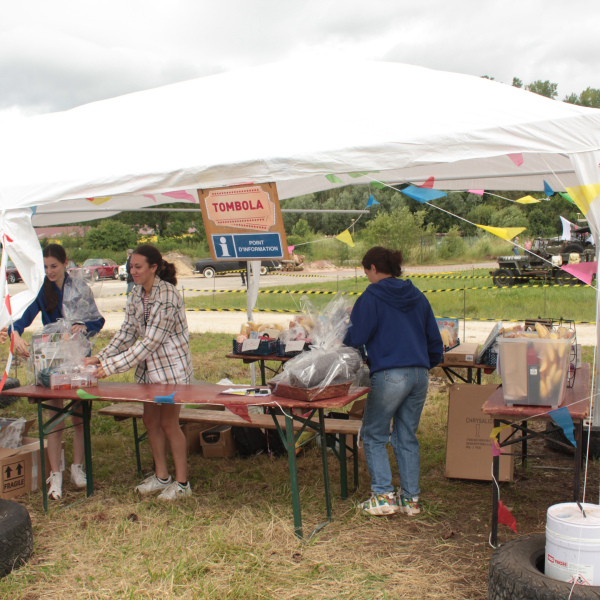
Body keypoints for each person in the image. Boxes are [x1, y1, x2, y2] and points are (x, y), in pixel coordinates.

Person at [84, 244, 193, 501]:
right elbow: (127, 332)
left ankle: (183, 483)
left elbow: (150, 342)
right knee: (150, 421)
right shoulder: (135, 294)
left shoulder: (168, 295)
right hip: (147, 372)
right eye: (130, 266)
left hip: (170, 373)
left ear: (153, 268)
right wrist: (100, 356)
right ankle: (161, 476)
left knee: (168, 423)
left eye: (138, 267)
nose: (132, 271)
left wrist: (109, 368)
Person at [343, 246, 443, 517]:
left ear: (373, 269)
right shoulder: (417, 295)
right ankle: (411, 501)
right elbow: (435, 339)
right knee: (406, 435)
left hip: (389, 372)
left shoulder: (372, 295)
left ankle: (383, 495)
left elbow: (356, 336)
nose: (367, 276)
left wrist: (345, 327)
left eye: (366, 271)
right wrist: (424, 364)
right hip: (420, 374)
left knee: (374, 433)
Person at [11, 243, 105, 500]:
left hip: (79, 359)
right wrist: (15, 333)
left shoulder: (80, 288)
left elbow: (98, 320)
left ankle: (77, 468)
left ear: (65, 263)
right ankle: (55, 474)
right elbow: (24, 317)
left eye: (53, 266)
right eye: (45, 267)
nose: (49, 271)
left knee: (78, 417)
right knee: (54, 420)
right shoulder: (42, 289)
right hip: (53, 360)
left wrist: (82, 325)